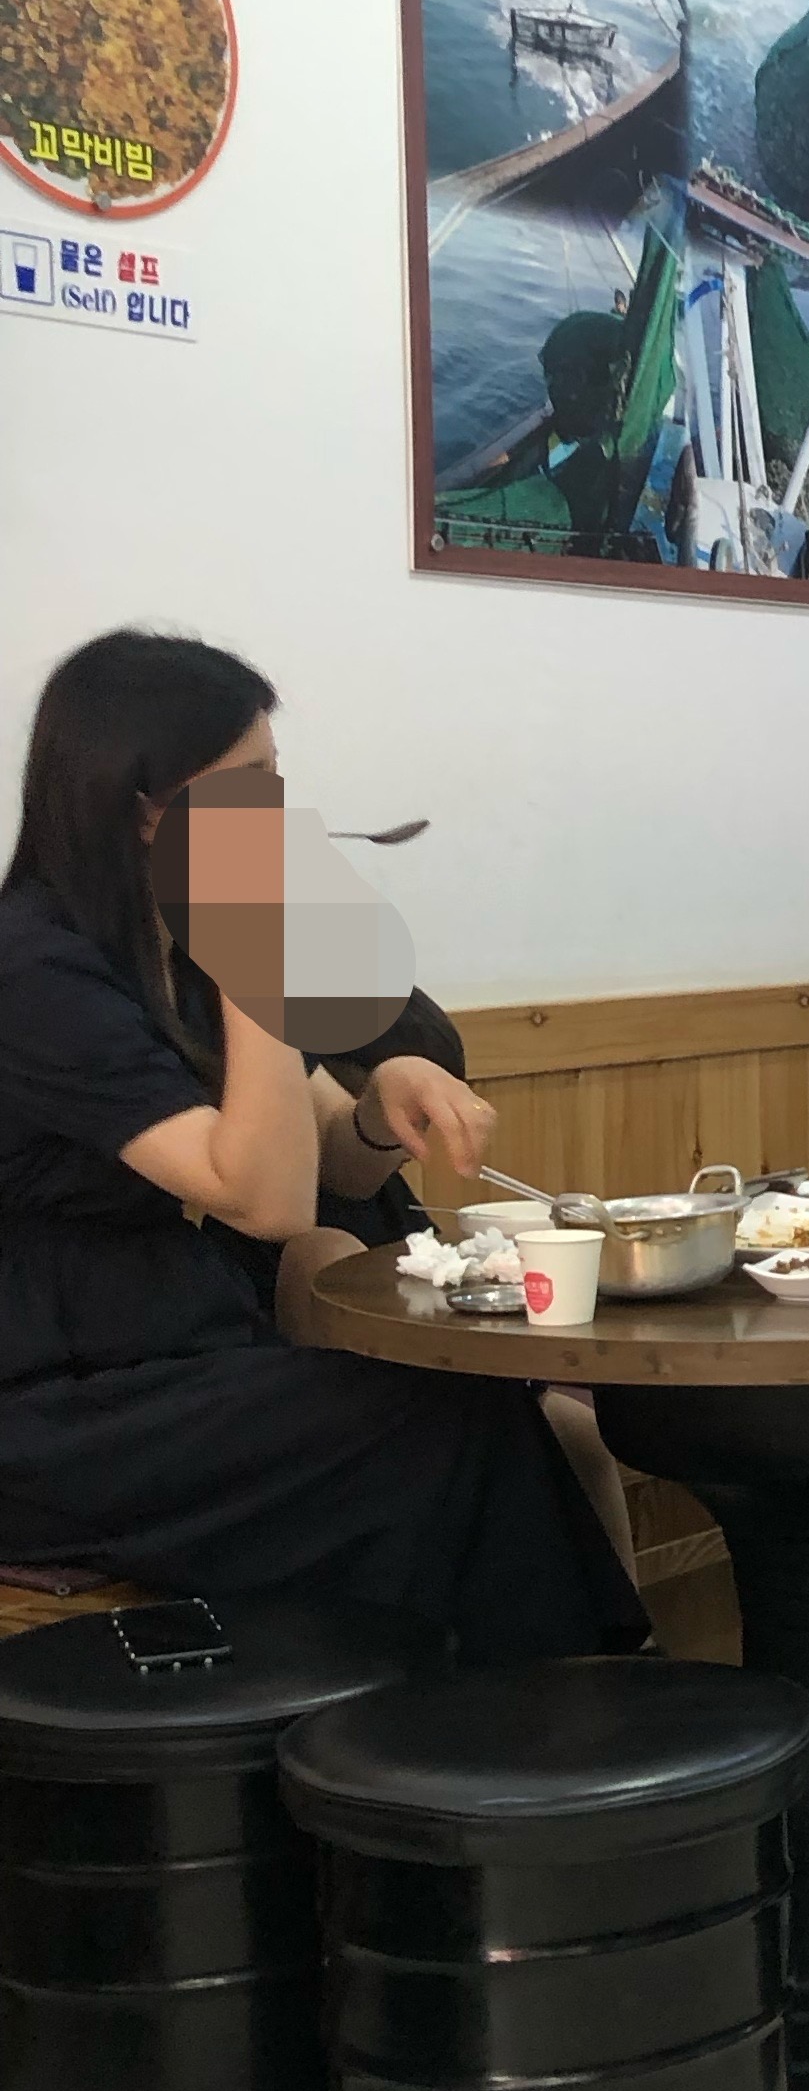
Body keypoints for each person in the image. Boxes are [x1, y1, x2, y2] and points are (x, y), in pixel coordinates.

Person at [0, 630, 647, 1661]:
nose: (277, 814)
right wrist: (255, 949)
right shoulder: (36, 968)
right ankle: (558, 1703)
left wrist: (380, 1109)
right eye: (249, 787)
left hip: (176, 1358)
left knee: (472, 1416)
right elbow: (264, 1202)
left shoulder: (166, 946)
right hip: (51, 1408)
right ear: (145, 808)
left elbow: (329, 1162)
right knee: (438, 1425)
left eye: (276, 778)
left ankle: (557, 1701)